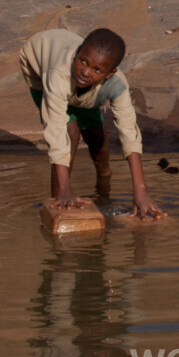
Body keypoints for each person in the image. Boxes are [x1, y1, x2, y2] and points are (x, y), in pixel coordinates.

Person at [20, 27, 165, 218]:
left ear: (109, 74)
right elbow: (55, 132)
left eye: (96, 69)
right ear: (78, 53)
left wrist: (141, 191)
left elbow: (129, 131)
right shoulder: (58, 74)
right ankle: (59, 197)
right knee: (70, 132)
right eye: (83, 61)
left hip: (85, 84)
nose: (86, 72)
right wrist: (65, 189)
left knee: (96, 136)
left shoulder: (117, 84)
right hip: (40, 62)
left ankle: (104, 191)